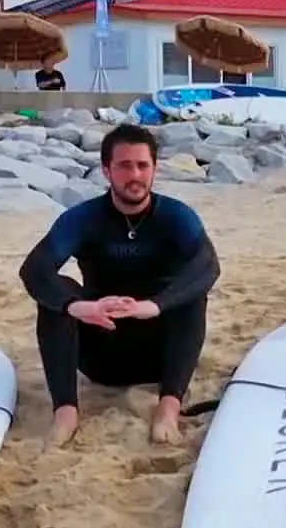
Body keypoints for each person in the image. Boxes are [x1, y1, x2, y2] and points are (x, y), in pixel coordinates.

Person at [18, 123, 219, 448]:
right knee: (59, 293)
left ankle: (168, 407)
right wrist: (78, 306)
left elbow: (208, 265)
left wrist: (155, 305)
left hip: (161, 354)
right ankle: (66, 412)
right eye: (124, 165)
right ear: (106, 170)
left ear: (155, 169)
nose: (135, 175)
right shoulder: (83, 218)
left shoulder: (176, 216)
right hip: (101, 350)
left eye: (143, 165)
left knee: (192, 294)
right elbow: (35, 268)